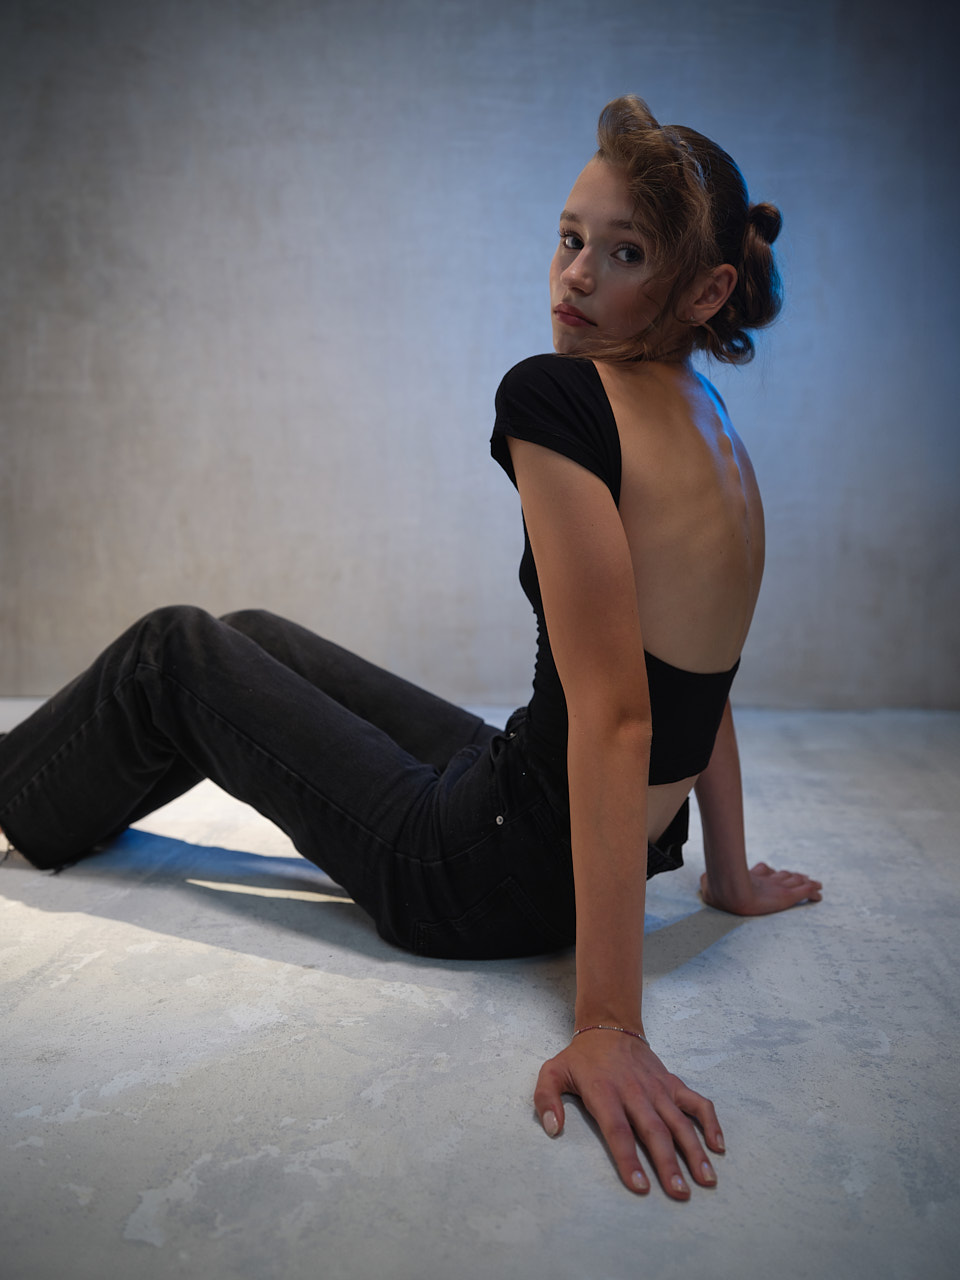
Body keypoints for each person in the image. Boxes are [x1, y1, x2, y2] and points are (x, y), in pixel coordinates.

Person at [0, 95, 822, 1200]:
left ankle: (17, 792)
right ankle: (82, 796)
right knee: (251, 640)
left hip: (479, 870)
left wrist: (610, 1022)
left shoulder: (560, 398)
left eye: (624, 253)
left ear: (705, 289)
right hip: (565, 822)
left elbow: (621, 716)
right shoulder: (713, 428)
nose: (576, 275)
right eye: (569, 237)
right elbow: (701, 685)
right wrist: (724, 872)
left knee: (170, 652)